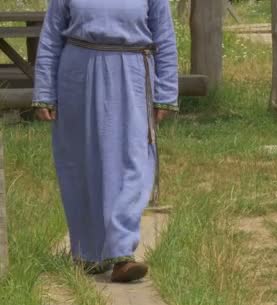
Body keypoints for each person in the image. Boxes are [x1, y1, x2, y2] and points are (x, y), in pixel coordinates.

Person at [32, 0, 178, 282]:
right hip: (78, 75)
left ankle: (121, 251)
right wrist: (45, 90)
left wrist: (166, 92)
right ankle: (88, 253)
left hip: (132, 72)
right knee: (82, 162)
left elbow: (165, 37)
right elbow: (51, 36)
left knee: (134, 160)